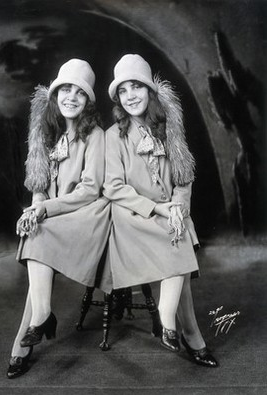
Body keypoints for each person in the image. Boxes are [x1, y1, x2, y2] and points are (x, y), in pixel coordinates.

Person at [102, 54, 218, 367]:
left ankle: (179, 328)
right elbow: (113, 188)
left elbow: (183, 179)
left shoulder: (170, 129)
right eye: (123, 91)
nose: (130, 96)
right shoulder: (114, 137)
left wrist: (177, 207)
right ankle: (182, 328)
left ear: (150, 91)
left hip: (169, 217)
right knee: (175, 232)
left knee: (178, 228)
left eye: (136, 86)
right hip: (132, 217)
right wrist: (159, 209)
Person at [7, 59, 111, 378]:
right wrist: (35, 208)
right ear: (55, 95)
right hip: (54, 216)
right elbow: (40, 184)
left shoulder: (94, 135)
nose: (71, 97)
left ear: (87, 101)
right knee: (35, 230)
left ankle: (29, 335)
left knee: (41, 231)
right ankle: (40, 316)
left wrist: (45, 210)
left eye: (79, 93)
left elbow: (90, 189)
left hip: (88, 214)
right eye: (65, 89)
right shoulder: (46, 133)